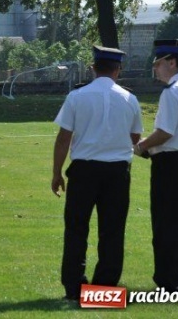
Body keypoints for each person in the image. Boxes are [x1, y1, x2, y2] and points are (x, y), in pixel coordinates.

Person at [51, 46, 142, 301]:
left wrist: (57, 173)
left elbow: (63, 139)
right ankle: (105, 288)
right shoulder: (129, 99)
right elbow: (135, 137)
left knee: (76, 229)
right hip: (117, 171)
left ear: (93, 68)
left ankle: (74, 286)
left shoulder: (77, 97)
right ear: (118, 69)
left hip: (84, 170)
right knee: (112, 230)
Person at [133, 39, 178, 292]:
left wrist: (142, 146)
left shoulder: (173, 91)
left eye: (158, 63)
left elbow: (165, 132)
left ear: (171, 62)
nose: (155, 68)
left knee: (166, 223)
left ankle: (168, 281)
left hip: (171, 163)